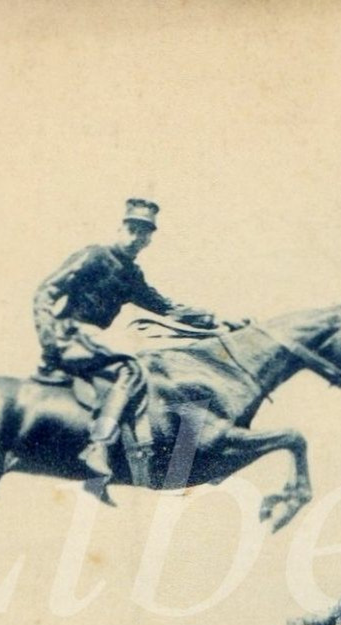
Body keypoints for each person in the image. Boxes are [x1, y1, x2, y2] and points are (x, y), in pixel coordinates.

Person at [33, 198, 243, 501]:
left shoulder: (131, 274)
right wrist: (50, 340)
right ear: (120, 228)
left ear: (149, 239)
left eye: (143, 234)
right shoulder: (93, 256)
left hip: (91, 341)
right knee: (130, 371)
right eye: (131, 230)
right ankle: (99, 447)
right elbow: (45, 292)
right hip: (69, 336)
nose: (136, 238)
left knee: (154, 371)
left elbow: (166, 308)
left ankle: (171, 465)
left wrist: (218, 321)